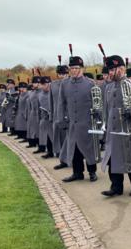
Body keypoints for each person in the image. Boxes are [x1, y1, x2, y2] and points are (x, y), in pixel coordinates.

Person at [100, 55, 131, 197]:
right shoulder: (108, 88)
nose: (110, 73)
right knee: (113, 159)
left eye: (113, 69)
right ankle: (116, 187)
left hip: (128, 128)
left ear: (122, 69)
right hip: (113, 129)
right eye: (109, 70)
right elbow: (107, 109)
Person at [57, 53, 98, 182]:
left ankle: (92, 172)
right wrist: (61, 120)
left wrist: (97, 122)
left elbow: (97, 104)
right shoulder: (64, 84)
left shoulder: (91, 84)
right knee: (74, 149)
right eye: (72, 68)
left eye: (76, 68)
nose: (74, 71)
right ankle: (77, 173)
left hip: (87, 123)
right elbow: (61, 103)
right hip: (71, 123)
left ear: (82, 69)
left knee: (88, 149)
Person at [50, 62, 70, 169]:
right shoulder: (52, 85)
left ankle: (68, 160)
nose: (63, 76)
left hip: (68, 116)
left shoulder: (70, 84)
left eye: (65, 74)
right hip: (57, 115)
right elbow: (51, 101)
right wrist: (51, 116)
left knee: (68, 139)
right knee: (58, 137)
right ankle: (62, 159)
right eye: (61, 74)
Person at [38, 76, 54, 159]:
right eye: (43, 84)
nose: (46, 86)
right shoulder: (40, 94)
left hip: (54, 117)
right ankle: (50, 152)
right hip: (45, 118)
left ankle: (59, 152)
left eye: (48, 84)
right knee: (47, 136)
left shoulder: (54, 92)